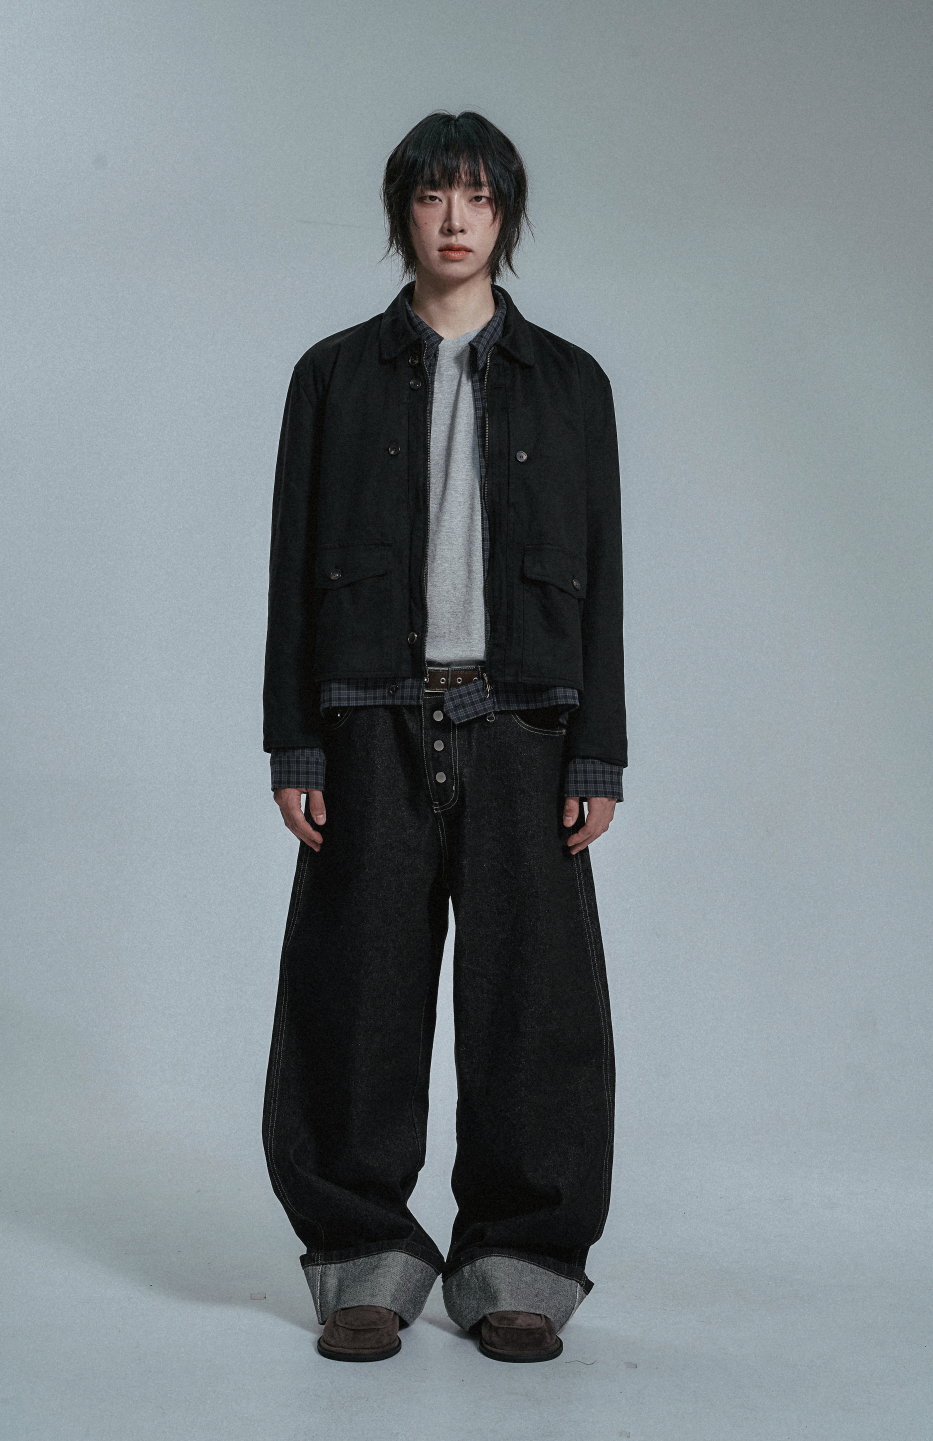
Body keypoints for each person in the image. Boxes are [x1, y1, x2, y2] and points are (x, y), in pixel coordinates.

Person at [262, 110, 626, 1364]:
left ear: (506, 214)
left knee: (535, 1005)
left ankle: (519, 1264)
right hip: (369, 717)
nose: (456, 218)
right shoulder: (332, 376)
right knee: (356, 994)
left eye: (478, 196)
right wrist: (294, 743)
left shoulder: (572, 385)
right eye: (433, 196)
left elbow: (605, 582)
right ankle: (364, 1259)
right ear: (403, 213)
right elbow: (290, 572)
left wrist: (599, 751)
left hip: (526, 723)